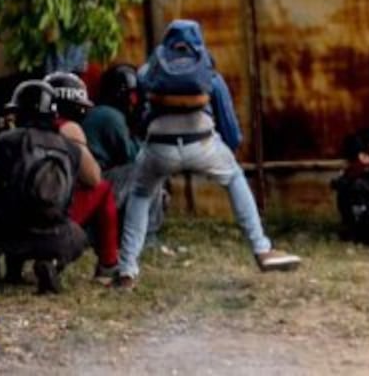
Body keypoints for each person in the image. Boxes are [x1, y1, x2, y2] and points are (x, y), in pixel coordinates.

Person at [116, 19, 300, 286]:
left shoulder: (149, 72)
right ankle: (262, 249)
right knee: (234, 178)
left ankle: (127, 270)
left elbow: (140, 119)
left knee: (141, 194)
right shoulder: (208, 72)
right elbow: (227, 123)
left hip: (159, 146)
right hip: (201, 142)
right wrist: (230, 148)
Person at [0, 79, 101, 294]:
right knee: (77, 234)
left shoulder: (9, 140)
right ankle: (51, 264)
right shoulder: (71, 149)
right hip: (57, 238)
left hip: (12, 234)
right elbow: (68, 204)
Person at [45, 72, 122, 283]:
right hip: (50, 213)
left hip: (9, 218)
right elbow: (93, 178)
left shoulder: (20, 123)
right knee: (104, 188)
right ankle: (108, 263)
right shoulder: (68, 128)